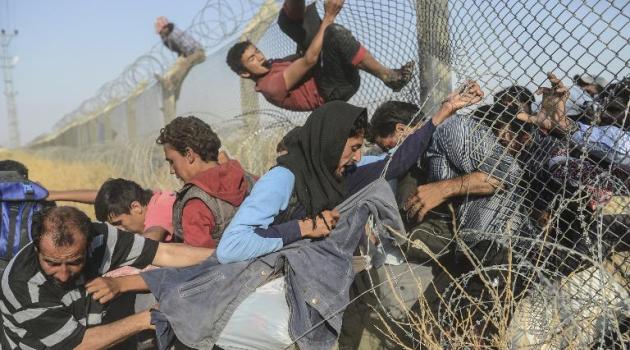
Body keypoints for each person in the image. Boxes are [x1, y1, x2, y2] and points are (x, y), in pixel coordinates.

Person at [215, 82, 483, 264]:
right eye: (353, 148)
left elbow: (395, 163)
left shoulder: (338, 173)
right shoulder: (283, 179)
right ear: (329, 143)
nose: (358, 157)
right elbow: (231, 247)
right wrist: (304, 227)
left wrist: (445, 111)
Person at [0, 206, 213, 350]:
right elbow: (78, 345)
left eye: (75, 262)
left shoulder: (101, 237)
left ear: (89, 244)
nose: (64, 274)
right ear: (36, 248)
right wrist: (145, 319)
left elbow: (165, 253)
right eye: (52, 263)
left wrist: (224, 256)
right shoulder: (21, 284)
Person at [225, 0, 414, 112]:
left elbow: (302, 56)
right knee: (333, 32)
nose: (259, 57)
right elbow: (309, 60)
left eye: (256, 51)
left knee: (286, 22)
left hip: (322, 74)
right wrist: (329, 15)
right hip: (334, 90)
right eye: (251, 59)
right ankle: (389, 77)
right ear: (244, 73)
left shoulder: (271, 65)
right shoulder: (270, 86)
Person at [156, 116, 251, 248]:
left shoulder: (194, 205)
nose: (172, 170)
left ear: (189, 154)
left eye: (172, 161)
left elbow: (198, 261)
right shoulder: (250, 180)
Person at [94, 178, 176, 242]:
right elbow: (94, 196)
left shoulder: (162, 205)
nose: (118, 230)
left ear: (136, 207)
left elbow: (148, 245)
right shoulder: (149, 198)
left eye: (119, 223)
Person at [154, 16, 206, 98]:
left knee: (182, 67)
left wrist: (183, 59)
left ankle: (170, 83)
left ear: (166, 27)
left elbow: (189, 47)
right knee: (179, 69)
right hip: (187, 54)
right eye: (159, 33)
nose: (161, 34)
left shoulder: (175, 34)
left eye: (161, 32)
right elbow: (178, 50)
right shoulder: (167, 37)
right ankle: (172, 89)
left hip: (197, 52)